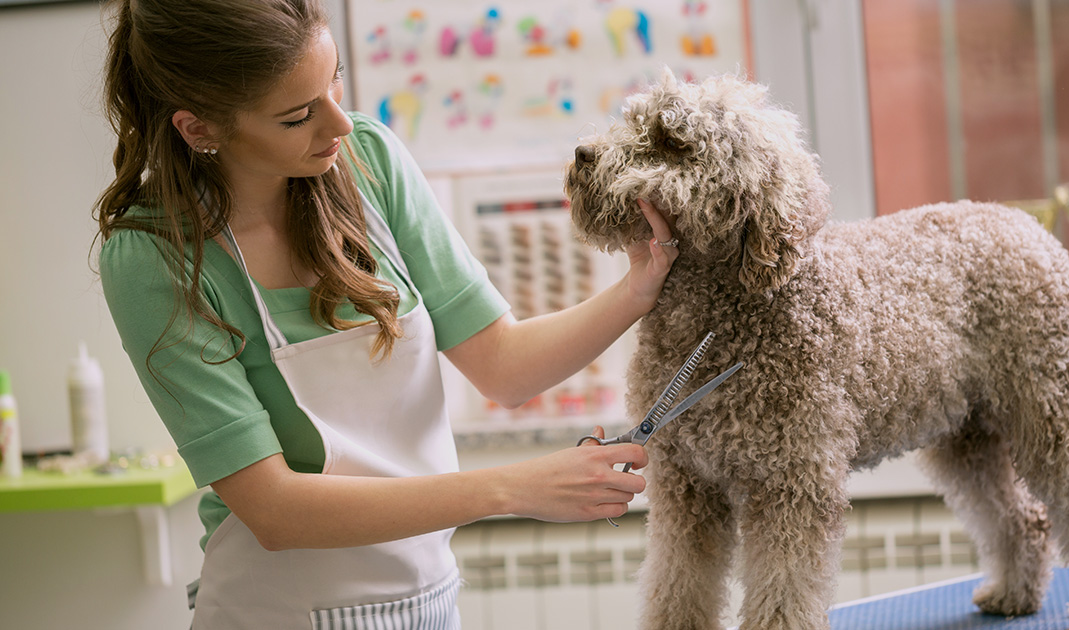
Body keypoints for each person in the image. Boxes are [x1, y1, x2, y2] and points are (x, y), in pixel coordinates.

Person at [93, 0, 678, 627]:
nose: (339, 124)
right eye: (298, 116)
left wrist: (637, 290)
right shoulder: (153, 258)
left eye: (334, 80)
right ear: (199, 128)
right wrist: (514, 489)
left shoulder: (367, 163)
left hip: (430, 601)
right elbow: (275, 511)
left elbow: (503, 365)